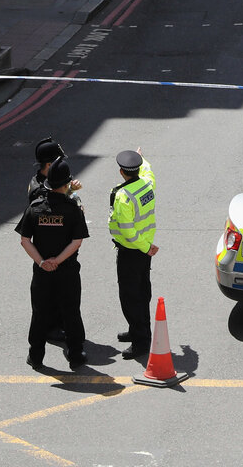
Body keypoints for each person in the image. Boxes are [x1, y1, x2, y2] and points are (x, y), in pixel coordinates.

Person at [15, 158, 88, 371]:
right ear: (66, 185)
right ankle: (75, 355)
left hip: (42, 273)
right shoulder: (73, 209)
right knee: (71, 312)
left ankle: (35, 356)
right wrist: (58, 260)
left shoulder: (35, 208)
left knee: (40, 313)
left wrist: (42, 262)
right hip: (67, 272)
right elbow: (77, 241)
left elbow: (24, 240)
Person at [109, 148, 157, 359]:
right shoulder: (147, 184)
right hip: (144, 248)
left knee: (130, 297)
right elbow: (148, 171)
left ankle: (140, 342)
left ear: (121, 172)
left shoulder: (123, 196)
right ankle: (138, 330)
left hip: (132, 251)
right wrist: (142, 157)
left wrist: (145, 248)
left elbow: (128, 231)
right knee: (142, 292)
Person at [29, 137, 82, 205]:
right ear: (49, 164)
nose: (61, 163)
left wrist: (71, 189)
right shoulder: (40, 191)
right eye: (59, 161)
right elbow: (56, 205)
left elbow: (57, 196)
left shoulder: (39, 179)